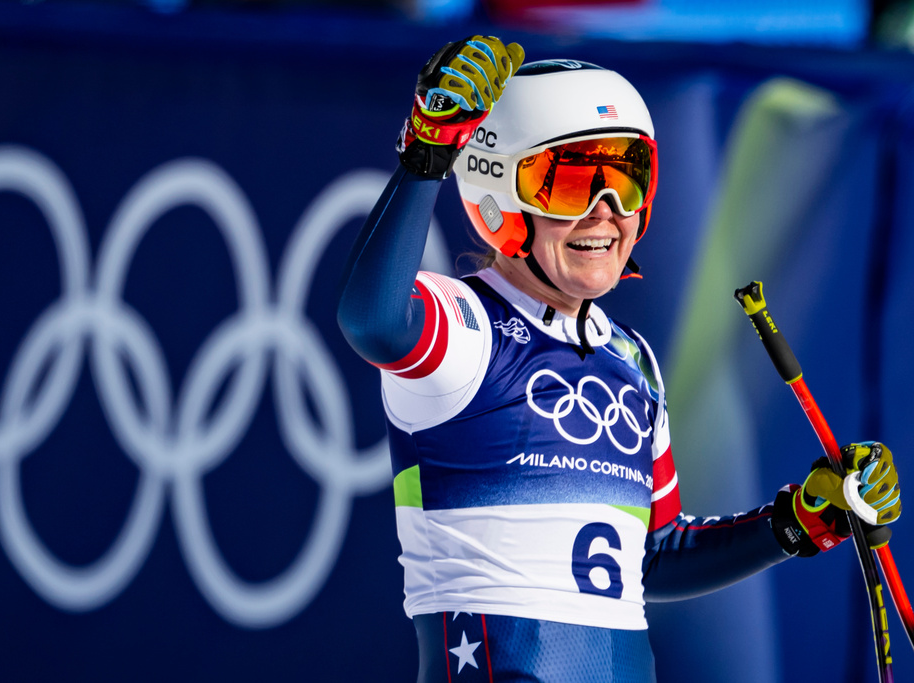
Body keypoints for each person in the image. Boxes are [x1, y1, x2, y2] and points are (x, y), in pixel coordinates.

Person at [336, 36, 902, 682]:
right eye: (573, 180)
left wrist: (796, 520)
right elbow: (372, 320)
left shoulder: (629, 356)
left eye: (627, 175)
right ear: (498, 193)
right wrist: (427, 155)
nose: (606, 211)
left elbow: (653, 556)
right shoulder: (465, 327)